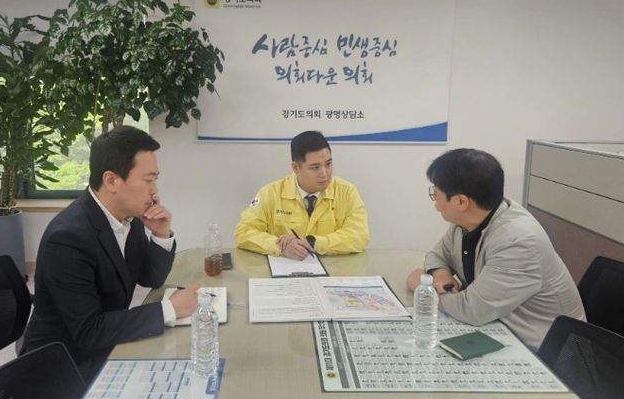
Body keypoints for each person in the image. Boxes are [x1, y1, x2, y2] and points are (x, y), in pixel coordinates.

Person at [21, 126, 199, 381]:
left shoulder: (127, 217)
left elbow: (151, 278)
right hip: (61, 369)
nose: (154, 191)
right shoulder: (68, 239)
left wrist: (161, 234)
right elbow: (89, 331)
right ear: (111, 181)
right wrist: (169, 310)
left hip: (103, 347)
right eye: (148, 180)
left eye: (155, 179)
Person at [406, 148, 585, 351]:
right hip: (499, 329)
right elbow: (438, 255)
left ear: (461, 202)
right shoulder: (467, 221)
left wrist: (423, 289)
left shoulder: (518, 241)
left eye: (435, 193)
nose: (435, 202)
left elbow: (472, 311)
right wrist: (439, 275)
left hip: (545, 352)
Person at [235, 130, 369, 260]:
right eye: (315, 167)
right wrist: (281, 246)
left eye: (328, 164)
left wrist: (313, 242)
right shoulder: (270, 193)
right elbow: (244, 232)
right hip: (285, 270)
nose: (325, 173)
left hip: (333, 271)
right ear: (296, 168)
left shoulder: (347, 192)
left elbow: (360, 236)